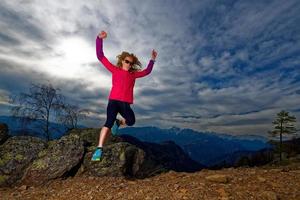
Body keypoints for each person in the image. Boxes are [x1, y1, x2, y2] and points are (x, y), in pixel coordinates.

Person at [91, 30, 158, 161]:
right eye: (127, 61)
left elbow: (147, 71)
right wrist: (99, 39)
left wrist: (152, 59)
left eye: (131, 63)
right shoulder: (114, 69)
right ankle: (99, 149)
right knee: (108, 123)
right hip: (113, 101)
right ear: (122, 61)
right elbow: (100, 56)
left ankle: (119, 122)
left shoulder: (133, 75)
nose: (129, 64)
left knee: (131, 121)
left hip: (125, 104)